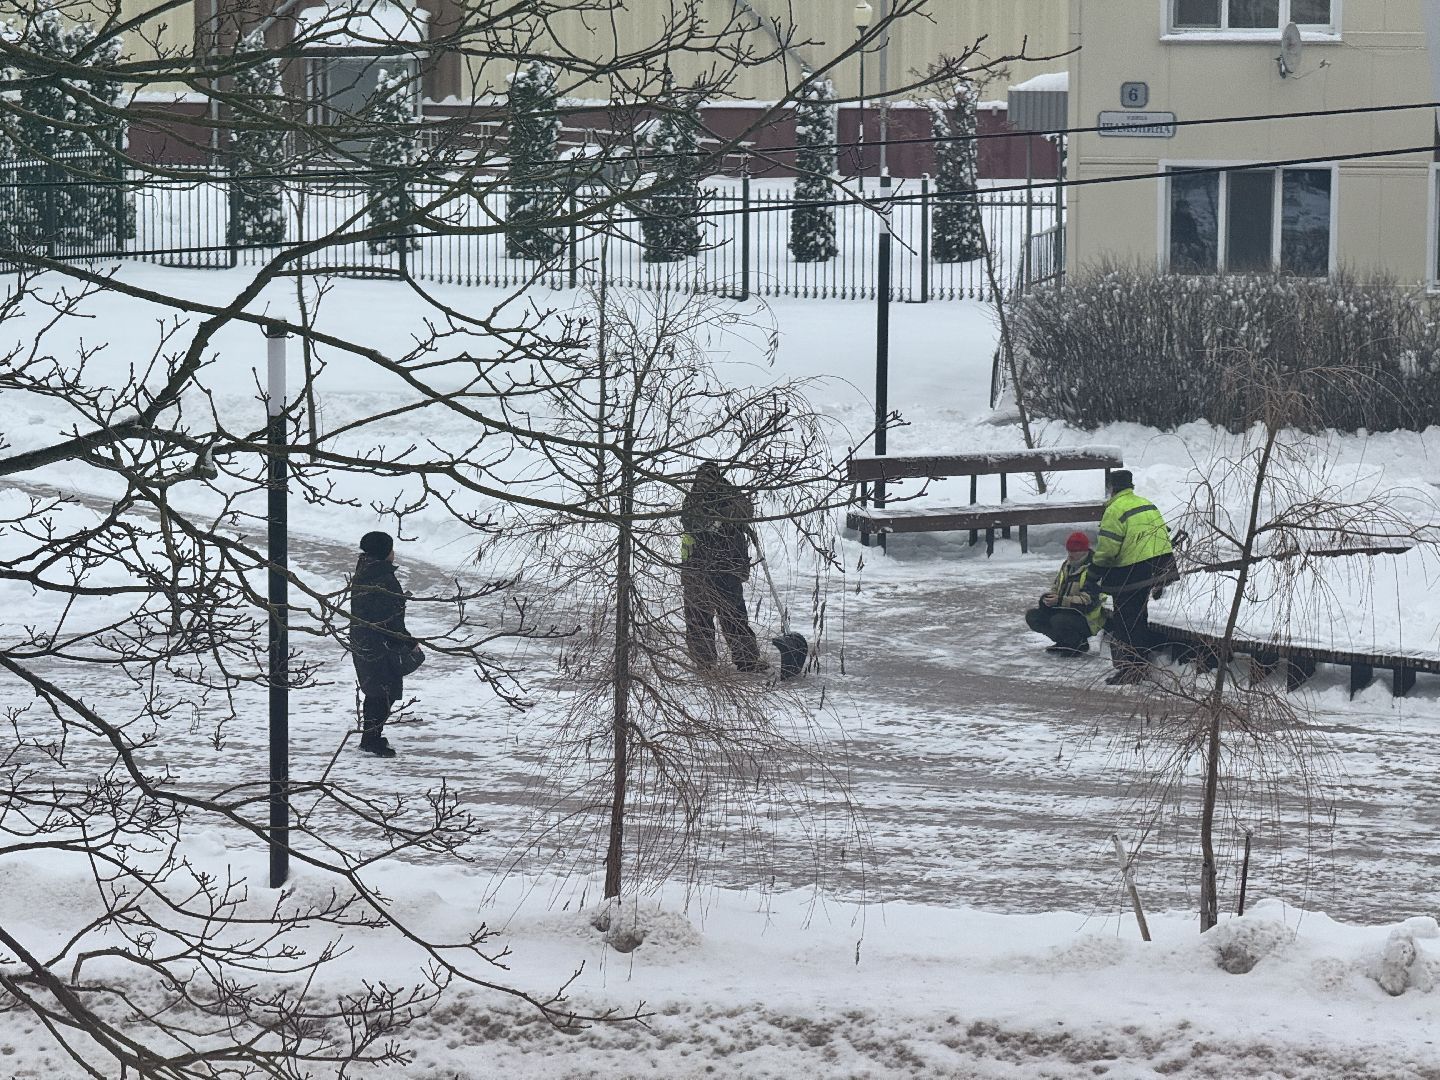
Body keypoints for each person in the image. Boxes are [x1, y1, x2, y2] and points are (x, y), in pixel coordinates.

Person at [1091, 470, 1175, 685]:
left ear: (1111, 488)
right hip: (1159, 564)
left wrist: (1094, 572)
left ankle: (1132, 669)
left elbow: (1108, 549)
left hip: (1132, 569)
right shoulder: (1147, 504)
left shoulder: (1115, 509)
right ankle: (1140, 662)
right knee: (1139, 614)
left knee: (1126, 620)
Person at [679, 461, 764, 674]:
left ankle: (742, 659)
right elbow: (693, 522)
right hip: (700, 569)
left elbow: (744, 511)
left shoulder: (730, 496)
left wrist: (721, 516)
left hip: (724, 568)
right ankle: (706, 662)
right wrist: (720, 519)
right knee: (701, 618)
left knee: (731, 615)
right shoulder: (693, 501)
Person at [349, 530, 420, 757]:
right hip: (380, 644)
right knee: (383, 692)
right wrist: (408, 642)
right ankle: (371, 741)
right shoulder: (382, 578)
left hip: (366, 640)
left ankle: (372, 737)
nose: (393, 552)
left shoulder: (366, 572)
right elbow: (389, 619)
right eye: (390, 548)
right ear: (384, 552)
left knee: (377, 691)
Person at [1024, 531, 1104, 657]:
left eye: (1074, 552)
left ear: (1084, 551)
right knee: (1033, 616)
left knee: (1058, 620)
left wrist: (1061, 600)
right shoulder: (1067, 565)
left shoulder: (1093, 569)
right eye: (1069, 551)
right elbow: (1056, 586)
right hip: (1065, 610)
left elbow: (1087, 601)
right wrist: (1049, 598)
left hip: (1088, 618)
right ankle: (1064, 642)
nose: (1070, 555)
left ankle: (1078, 644)